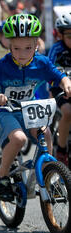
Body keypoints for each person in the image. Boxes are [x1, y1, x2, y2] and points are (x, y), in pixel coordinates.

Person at [0, 14, 71, 201]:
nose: (22, 53)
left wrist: (66, 83)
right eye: (16, 48)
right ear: (9, 46)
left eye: (28, 48)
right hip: (2, 110)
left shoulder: (41, 62)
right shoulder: (2, 65)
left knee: (47, 134)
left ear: (36, 45)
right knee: (19, 139)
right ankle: (2, 177)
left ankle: (47, 175)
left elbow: (58, 75)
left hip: (27, 108)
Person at [48, 11, 71, 165]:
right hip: (59, 89)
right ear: (61, 36)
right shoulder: (56, 49)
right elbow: (49, 72)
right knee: (68, 111)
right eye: (70, 36)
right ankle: (61, 150)